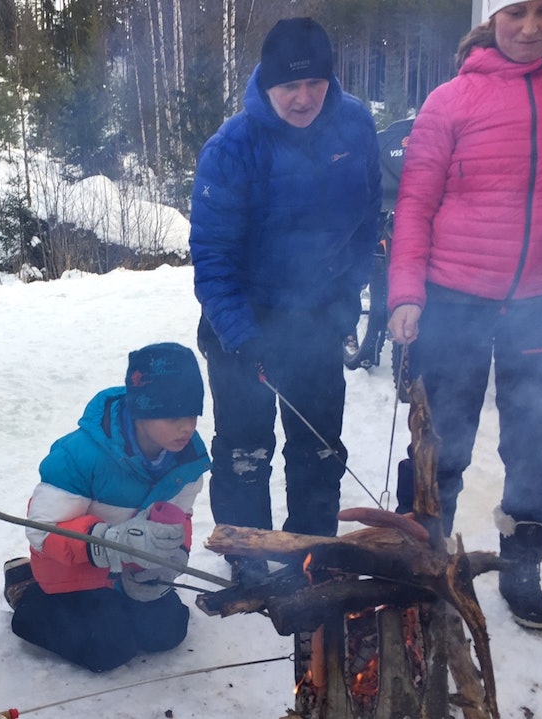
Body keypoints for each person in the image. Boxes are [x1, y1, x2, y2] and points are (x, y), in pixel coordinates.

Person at [387, 0, 542, 631]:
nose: (533, 27)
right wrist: (406, 293)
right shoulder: (450, 100)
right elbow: (416, 203)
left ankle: (522, 570)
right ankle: (425, 567)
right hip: (457, 296)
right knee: (439, 442)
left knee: (535, 446)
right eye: (518, 12)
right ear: (493, 16)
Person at [188, 17, 381, 582]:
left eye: (315, 84)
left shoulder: (355, 128)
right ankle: (250, 560)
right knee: (246, 451)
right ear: (266, 85)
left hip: (317, 317)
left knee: (319, 447)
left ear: (331, 80)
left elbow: (368, 221)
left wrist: (347, 297)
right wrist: (242, 338)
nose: (303, 98)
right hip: (243, 320)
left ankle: (310, 555)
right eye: (289, 87)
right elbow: (213, 259)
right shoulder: (231, 148)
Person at [5, 342, 211, 672]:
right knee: (108, 649)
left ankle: (117, 609)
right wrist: (111, 544)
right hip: (73, 569)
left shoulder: (187, 459)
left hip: (129, 572)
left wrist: (171, 555)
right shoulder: (81, 455)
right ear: (142, 410)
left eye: (192, 415)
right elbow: (42, 531)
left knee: (169, 630)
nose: (186, 427)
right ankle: (25, 591)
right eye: (173, 416)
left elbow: (179, 517)